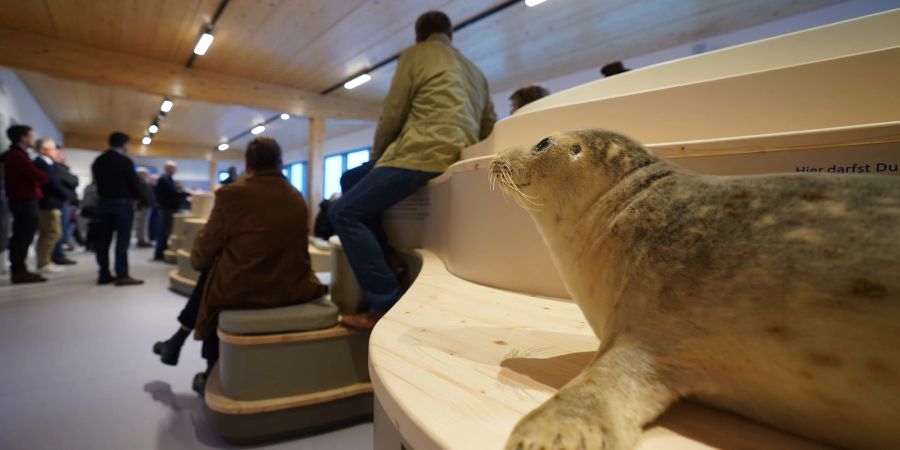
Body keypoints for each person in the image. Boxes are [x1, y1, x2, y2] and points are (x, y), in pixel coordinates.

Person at [329, 11, 496, 330]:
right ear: (451, 34)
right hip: (453, 156)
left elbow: (392, 113)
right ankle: (390, 259)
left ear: (419, 36)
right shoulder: (476, 72)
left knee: (343, 213)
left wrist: (377, 158)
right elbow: (489, 126)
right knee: (350, 178)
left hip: (419, 152)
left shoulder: (417, 55)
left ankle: (385, 303)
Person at [152, 137, 326, 393]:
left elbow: (203, 253)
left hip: (249, 291)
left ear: (247, 166)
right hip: (294, 286)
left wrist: (205, 260)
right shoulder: (297, 197)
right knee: (219, 272)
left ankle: (207, 366)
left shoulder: (233, 194)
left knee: (214, 276)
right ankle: (176, 343)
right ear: (280, 163)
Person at [91, 132, 143, 286]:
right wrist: (137, 197)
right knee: (122, 240)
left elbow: (96, 181)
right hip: (123, 204)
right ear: (123, 144)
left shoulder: (99, 160)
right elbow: (134, 183)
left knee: (103, 241)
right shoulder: (125, 161)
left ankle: (104, 273)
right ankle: (122, 274)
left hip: (104, 203)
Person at [3, 125, 47, 283]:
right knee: (22, 236)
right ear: (23, 138)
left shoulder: (17, 155)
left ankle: (20, 269)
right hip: (23, 199)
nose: (33, 139)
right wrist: (42, 174)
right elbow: (38, 175)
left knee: (23, 235)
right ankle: (19, 271)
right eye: (31, 135)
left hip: (23, 199)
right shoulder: (16, 155)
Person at [33, 139, 75, 273]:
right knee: (53, 233)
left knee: (47, 233)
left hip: (51, 202)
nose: (55, 151)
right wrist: (67, 195)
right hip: (48, 203)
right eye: (52, 148)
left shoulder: (47, 164)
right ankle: (45, 262)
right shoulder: (41, 163)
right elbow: (52, 183)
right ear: (43, 150)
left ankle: (44, 261)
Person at [154, 161, 189, 261]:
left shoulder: (167, 178)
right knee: (163, 231)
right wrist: (187, 193)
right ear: (168, 168)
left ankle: (161, 252)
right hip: (166, 208)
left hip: (167, 208)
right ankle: (159, 254)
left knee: (165, 231)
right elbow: (172, 193)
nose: (175, 170)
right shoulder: (164, 179)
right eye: (174, 168)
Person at [51, 145, 79, 264]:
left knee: (62, 230)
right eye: (61, 153)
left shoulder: (61, 168)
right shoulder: (55, 168)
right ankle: (56, 255)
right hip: (61, 202)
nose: (63, 155)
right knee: (58, 231)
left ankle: (58, 254)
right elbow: (72, 180)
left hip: (65, 202)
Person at [134, 168, 155, 248]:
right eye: (145, 173)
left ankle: (142, 239)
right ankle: (141, 240)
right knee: (142, 224)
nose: (147, 175)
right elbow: (142, 196)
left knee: (143, 224)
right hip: (144, 206)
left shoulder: (144, 183)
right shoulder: (140, 184)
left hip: (146, 206)